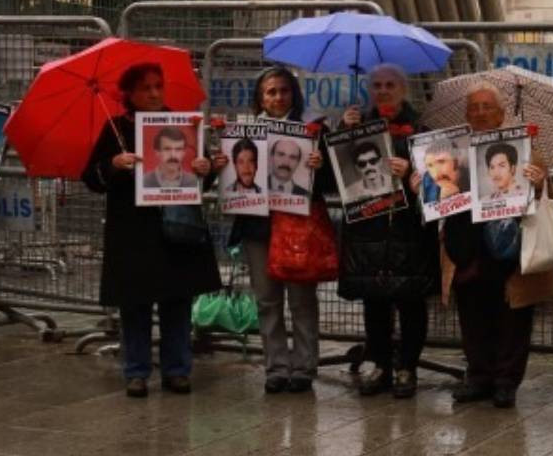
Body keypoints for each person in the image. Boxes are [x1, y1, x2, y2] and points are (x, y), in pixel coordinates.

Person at [81, 63, 221, 398]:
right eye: (146, 88)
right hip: (133, 233)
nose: (155, 93)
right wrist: (113, 165)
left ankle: (177, 370)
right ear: (129, 94)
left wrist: (206, 168)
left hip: (177, 229)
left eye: (158, 86)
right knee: (135, 303)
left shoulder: (183, 125)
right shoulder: (115, 128)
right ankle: (136, 372)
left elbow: (202, 172)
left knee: (177, 302)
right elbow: (91, 177)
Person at [214, 66, 331, 394]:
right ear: (260, 98)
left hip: (298, 227)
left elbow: (332, 184)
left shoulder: (315, 130)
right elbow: (229, 182)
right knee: (267, 300)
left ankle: (305, 366)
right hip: (258, 227)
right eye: (271, 92)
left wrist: (320, 167)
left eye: (284, 90)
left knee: (302, 299)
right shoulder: (244, 131)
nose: (278, 97)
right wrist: (221, 166)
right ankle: (276, 368)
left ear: (294, 93)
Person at [439, 81, 553, 409]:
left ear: (502, 113)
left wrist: (538, 181)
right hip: (467, 245)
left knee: (512, 317)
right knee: (472, 312)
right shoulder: (455, 151)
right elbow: (440, 193)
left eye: (486, 107)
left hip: (510, 250)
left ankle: (506, 381)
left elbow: (548, 192)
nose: (479, 113)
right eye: (473, 108)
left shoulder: (524, 147)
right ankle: (478, 376)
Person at [339, 63, 440, 399]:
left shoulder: (423, 129)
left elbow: (440, 183)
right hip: (370, 229)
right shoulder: (357, 126)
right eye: (377, 85)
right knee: (375, 301)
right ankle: (380, 364)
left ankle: (407, 367)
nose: (383, 91)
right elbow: (334, 179)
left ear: (402, 90)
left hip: (409, 229)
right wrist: (341, 129)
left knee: (411, 301)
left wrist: (411, 168)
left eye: (389, 85)